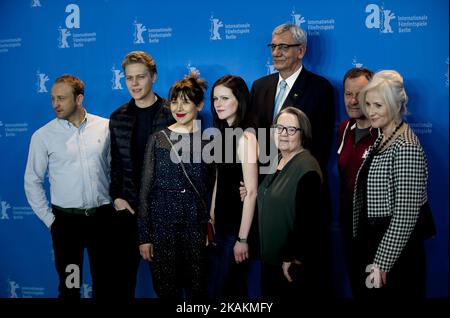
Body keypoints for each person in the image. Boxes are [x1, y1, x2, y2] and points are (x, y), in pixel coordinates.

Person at [24, 74, 112, 300]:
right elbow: (32, 180)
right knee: (70, 287)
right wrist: (50, 220)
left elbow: (115, 171)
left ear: (79, 99)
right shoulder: (43, 136)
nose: (55, 104)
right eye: (53, 98)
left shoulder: (104, 127)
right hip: (66, 225)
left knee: (105, 284)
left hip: (101, 221)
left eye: (61, 98)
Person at [353, 70, 430, 298]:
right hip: (376, 241)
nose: (371, 112)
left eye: (378, 105)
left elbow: (405, 215)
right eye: (368, 104)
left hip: (397, 253)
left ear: (396, 106)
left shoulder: (406, 146)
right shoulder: (383, 136)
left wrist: (383, 261)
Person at [138, 72, 215, 299]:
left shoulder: (209, 141)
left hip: (195, 227)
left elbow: (213, 186)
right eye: (174, 101)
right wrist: (144, 236)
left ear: (199, 105)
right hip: (162, 228)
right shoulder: (158, 139)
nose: (178, 108)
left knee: (197, 290)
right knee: (165, 290)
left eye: (186, 101)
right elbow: (145, 191)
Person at [109, 51, 174, 298]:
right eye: (129, 78)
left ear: (153, 77)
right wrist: (116, 197)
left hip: (164, 213)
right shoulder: (118, 117)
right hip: (128, 212)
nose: (134, 84)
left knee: (166, 287)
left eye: (141, 77)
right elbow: (115, 164)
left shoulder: (173, 113)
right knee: (121, 285)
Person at [257, 107, 330, 299]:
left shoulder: (307, 168)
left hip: (289, 266)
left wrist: (292, 256)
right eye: (279, 127)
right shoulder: (278, 160)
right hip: (271, 262)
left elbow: (310, 222)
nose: (283, 134)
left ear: (303, 134)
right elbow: (273, 195)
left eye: (291, 130)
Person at [248, 22, 335, 170]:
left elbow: (321, 144)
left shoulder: (320, 88)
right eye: (273, 46)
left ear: (300, 51)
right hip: (264, 179)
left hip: (299, 177)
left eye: (283, 47)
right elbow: (253, 135)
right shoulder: (259, 87)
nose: (275, 53)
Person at [208, 75, 259, 298]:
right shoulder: (222, 133)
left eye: (224, 98)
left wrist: (243, 239)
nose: (218, 103)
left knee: (227, 291)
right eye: (215, 98)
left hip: (236, 230)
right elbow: (219, 179)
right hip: (221, 226)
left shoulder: (246, 137)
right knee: (226, 290)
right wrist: (211, 219)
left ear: (239, 100)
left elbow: (252, 192)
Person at [337, 67, 377, 297]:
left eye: (359, 94)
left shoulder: (384, 131)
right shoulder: (344, 129)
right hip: (349, 228)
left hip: (377, 230)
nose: (353, 101)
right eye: (348, 94)